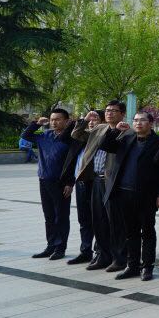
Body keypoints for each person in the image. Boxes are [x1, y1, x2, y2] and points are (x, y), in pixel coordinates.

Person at [98, 111, 159, 281]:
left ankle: (147, 267)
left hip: (147, 194)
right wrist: (115, 130)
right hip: (124, 192)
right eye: (136, 120)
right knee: (130, 232)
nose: (138, 123)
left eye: (142, 120)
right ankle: (132, 266)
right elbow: (105, 145)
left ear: (151, 123)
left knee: (147, 231)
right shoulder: (127, 139)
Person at [70, 100, 127, 271]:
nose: (109, 113)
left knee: (114, 221)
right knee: (98, 220)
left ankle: (119, 258)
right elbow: (77, 135)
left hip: (113, 182)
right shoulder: (99, 128)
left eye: (114, 110)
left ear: (122, 114)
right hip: (95, 180)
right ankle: (103, 255)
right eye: (107, 110)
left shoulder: (126, 131)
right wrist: (84, 120)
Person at [22, 109, 73, 260]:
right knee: (49, 216)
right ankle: (50, 246)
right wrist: (37, 124)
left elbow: (73, 162)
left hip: (61, 183)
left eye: (58, 119)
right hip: (44, 180)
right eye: (52, 119)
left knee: (61, 216)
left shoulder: (70, 138)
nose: (54, 122)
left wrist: (70, 183)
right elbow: (25, 135)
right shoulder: (45, 135)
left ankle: (60, 248)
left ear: (66, 121)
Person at [59, 109, 100, 265]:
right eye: (90, 120)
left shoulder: (102, 137)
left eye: (95, 119)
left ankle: (99, 252)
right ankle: (85, 251)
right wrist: (82, 120)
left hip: (96, 182)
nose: (92, 122)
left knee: (98, 218)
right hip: (80, 182)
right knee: (83, 219)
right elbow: (64, 137)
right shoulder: (81, 137)